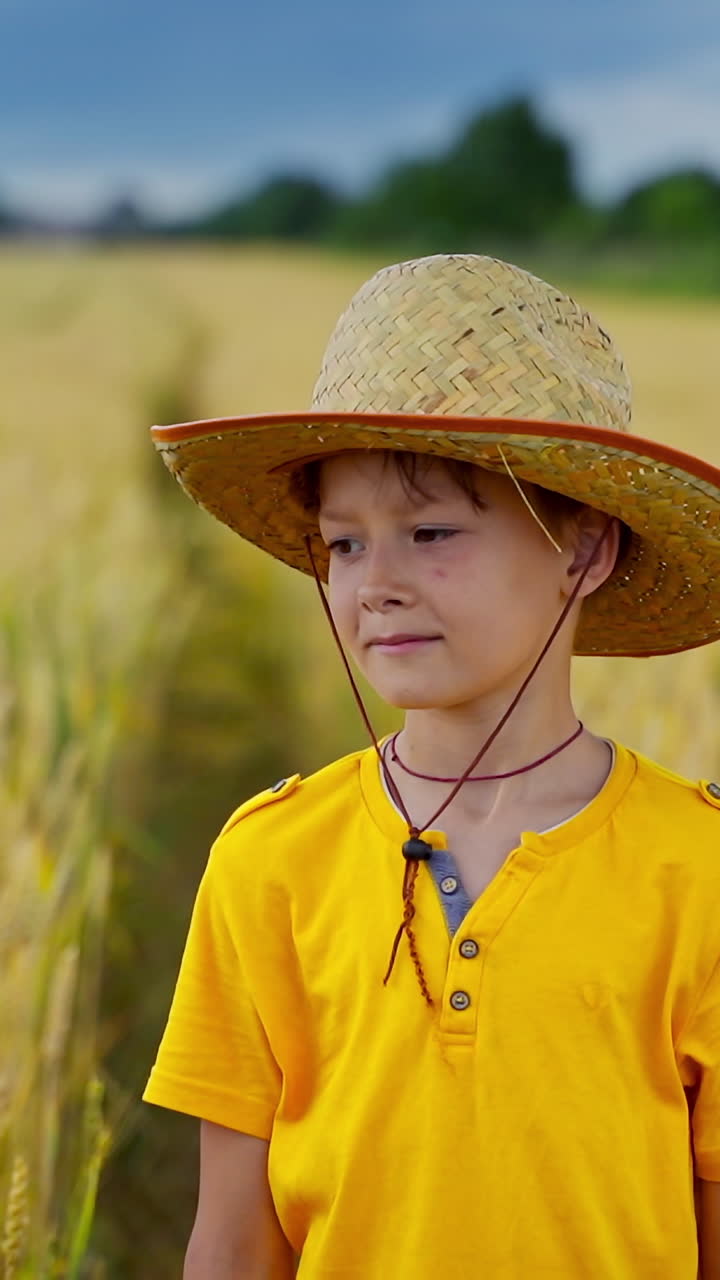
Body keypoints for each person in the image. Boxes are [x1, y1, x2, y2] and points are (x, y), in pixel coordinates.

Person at [143, 254, 720, 1278]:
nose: (378, 583)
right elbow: (231, 1241)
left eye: (431, 531)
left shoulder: (698, 868)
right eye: (345, 545)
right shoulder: (269, 858)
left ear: (585, 552)